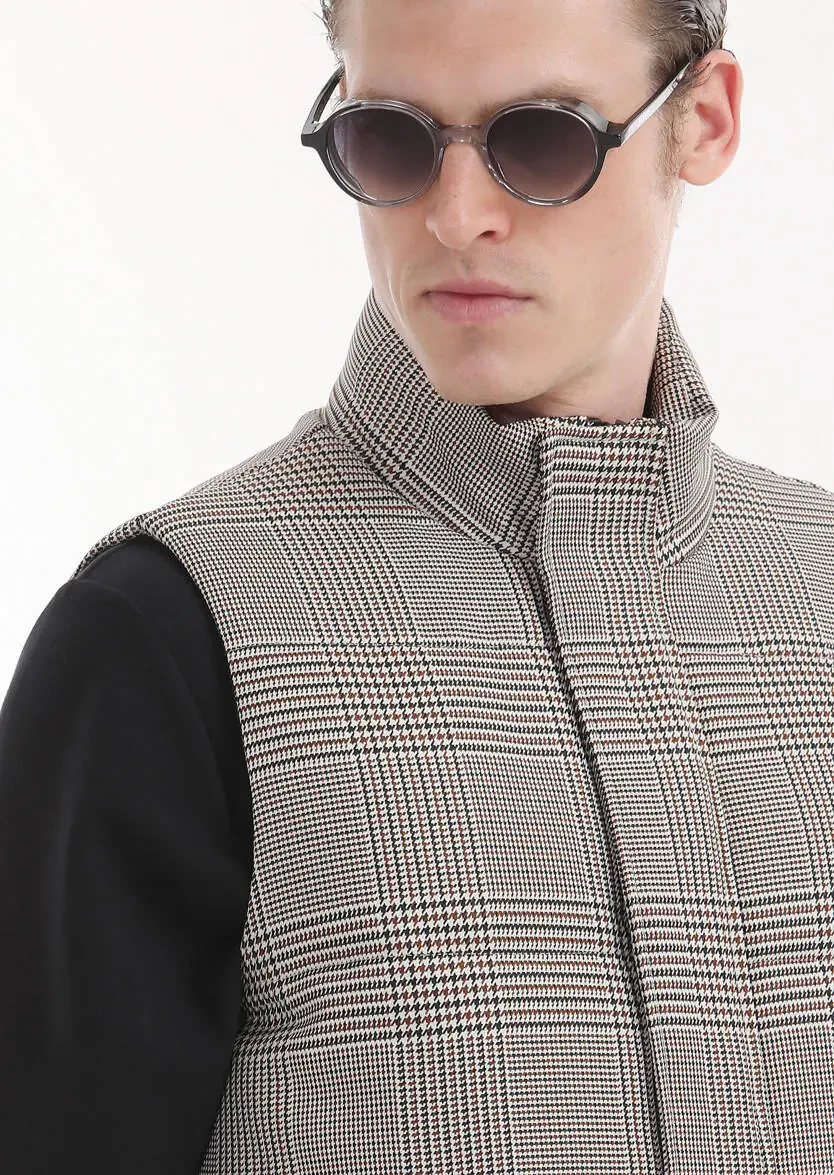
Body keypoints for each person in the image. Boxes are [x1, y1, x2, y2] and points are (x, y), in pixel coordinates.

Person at [5, 0, 832, 1171]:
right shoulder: (172, 638)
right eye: (391, 140)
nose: (455, 216)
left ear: (703, 119)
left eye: (542, 138)